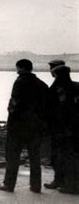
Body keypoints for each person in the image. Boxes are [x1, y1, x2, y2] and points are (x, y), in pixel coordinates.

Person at [0, 59, 48, 193]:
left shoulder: (20, 82)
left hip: (19, 127)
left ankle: (9, 184)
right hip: (35, 127)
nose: (17, 71)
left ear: (22, 68)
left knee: (13, 156)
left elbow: (14, 104)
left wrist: (11, 120)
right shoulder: (42, 84)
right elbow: (47, 107)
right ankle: (36, 186)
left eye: (18, 68)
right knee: (35, 157)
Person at [46, 65, 78, 194]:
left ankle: (69, 185)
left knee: (65, 157)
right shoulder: (75, 86)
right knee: (65, 157)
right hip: (69, 129)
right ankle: (62, 182)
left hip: (64, 129)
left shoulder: (59, 90)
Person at [44, 59, 66, 189]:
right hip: (64, 127)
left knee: (58, 155)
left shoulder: (58, 87)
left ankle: (60, 181)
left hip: (59, 128)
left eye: (52, 68)